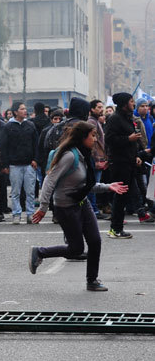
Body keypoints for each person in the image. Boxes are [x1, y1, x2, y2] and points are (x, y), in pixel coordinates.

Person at [29, 121, 128, 291]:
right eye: (92, 136)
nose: (95, 139)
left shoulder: (84, 155)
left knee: (95, 241)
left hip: (82, 202)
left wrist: (108, 186)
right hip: (66, 206)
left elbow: (87, 185)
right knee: (76, 248)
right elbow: (49, 180)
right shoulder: (70, 156)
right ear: (83, 137)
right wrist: (43, 207)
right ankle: (40, 252)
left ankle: (92, 281)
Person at [104, 93, 149, 238]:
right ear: (124, 103)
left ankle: (118, 227)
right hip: (119, 163)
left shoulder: (128, 118)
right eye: (131, 101)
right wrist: (127, 139)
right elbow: (110, 140)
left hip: (129, 162)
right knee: (120, 195)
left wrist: (136, 155)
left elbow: (134, 141)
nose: (134, 104)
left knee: (128, 194)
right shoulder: (115, 118)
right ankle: (115, 229)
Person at [0, 101, 38, 224]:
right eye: (22, 109)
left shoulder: (30, 125)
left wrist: (35, 159)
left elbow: (36, 144)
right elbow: (3, 147)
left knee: (30, 191)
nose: (25, 111)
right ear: (15, 112)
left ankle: (30, 214)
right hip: (14, 165)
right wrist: (5, 164)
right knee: (15, 192)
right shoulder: (8, 127)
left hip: (29, 164)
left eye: (25, 109)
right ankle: (16, 214)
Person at [87, 100, 108, 219]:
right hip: (95, 158)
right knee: (94, 185)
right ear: (92, 109)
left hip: (99, 157)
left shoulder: (96, 121)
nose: (101, 109)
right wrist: (96, 159)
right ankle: (93, 210)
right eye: (99, 107)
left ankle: (93, 209)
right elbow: (93, 143)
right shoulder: (91, 122)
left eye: (102, 107)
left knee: (95, 184)